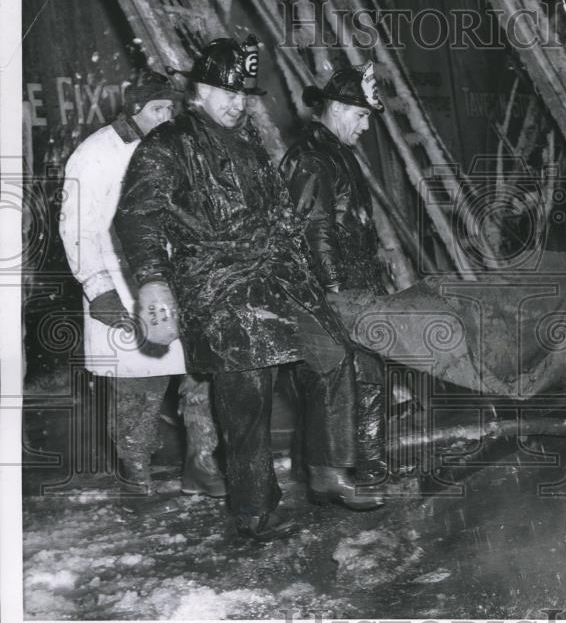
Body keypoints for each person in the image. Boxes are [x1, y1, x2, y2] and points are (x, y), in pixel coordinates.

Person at [115, 36, 381, 543]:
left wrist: (309, 278)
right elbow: (136, 218)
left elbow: (281, 215)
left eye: (243, 95)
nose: (237, 103)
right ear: (198, 90)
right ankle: (254, 508)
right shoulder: (167, 145)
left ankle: (328, 471)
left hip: (274, 276)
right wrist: (152, 282)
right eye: (226, 92)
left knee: (332, 354)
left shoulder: (250, 141)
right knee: (248, 392)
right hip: (216, 283)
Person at [59, 65, 224, 498]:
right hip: (124, 287)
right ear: (134, 109)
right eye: (158, 108)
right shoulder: (94, 155)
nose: (167, 117)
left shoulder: (176, 149)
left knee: (200, 375)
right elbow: (77, 229)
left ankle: (201, 467)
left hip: (179, 284)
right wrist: (100, 290)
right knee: (138, 390)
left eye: (172, 107)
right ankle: (137, 478)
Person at [279, 62, 389, 486]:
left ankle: (358, 469)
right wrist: (335, 292)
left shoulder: (335, 153)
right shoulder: (311, 158)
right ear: (340, 109)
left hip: (355, 285)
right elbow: (315, 229)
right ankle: (359, 473)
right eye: (361, 115)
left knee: (361, 379)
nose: (365, 126)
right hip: (336, 291)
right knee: (356, 381)